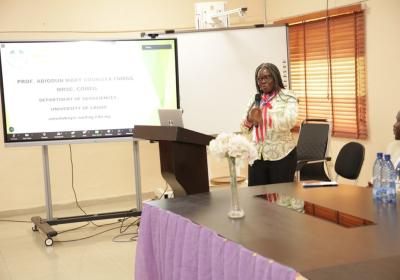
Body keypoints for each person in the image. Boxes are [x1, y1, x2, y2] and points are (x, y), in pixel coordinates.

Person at [241, 63, 298, 186]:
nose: (263, 81)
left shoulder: (287, 96)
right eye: (260, 79)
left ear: (275, 78)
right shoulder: (255, 99)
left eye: (267, 77)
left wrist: (266, 119)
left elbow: (290, 121)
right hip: (257, 155)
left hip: (281, 155)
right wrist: (249, 119)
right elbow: (244, 128)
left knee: (281, 198)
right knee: (256, 198)